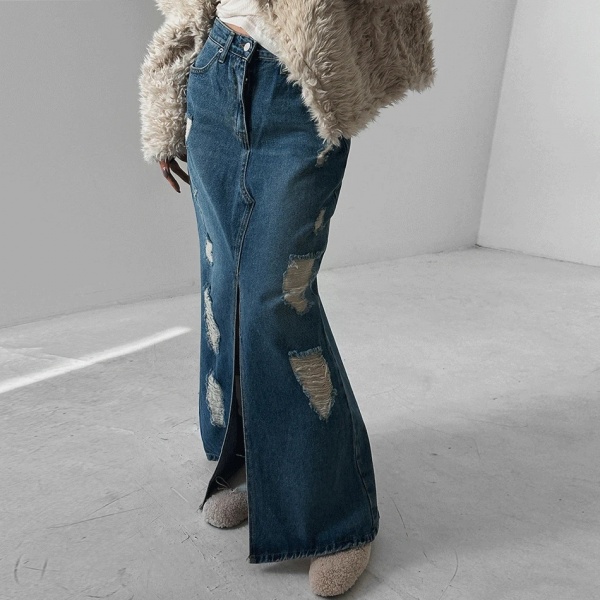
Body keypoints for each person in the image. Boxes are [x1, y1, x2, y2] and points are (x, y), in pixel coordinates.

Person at [139, 0, 435, 596]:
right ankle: (262, 473)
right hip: (216, 67)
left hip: (298, 85)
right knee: (227, 289)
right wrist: (167, 102)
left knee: (278, 299)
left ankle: (338, 518)